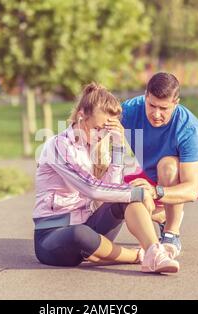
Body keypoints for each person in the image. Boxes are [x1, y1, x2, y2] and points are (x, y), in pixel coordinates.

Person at [33, 83, 180, 274]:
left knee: (126, 199)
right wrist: (138, 192)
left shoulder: (95, 148)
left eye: (106, 131)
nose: (101, 135)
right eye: (97, 128)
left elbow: (112, 191)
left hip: (89, 226)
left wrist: (118, 144)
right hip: (52, 236)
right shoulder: (58, 146)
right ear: (81, 116)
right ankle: (137, 256)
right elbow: (91, 189)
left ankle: (154, 251)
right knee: (80, 234)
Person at [121, 72, 198, 259]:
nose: (156, 114)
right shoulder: (129, 110)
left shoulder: (188, 126)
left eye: (164, 108)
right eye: (152, 105)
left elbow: (191, 189)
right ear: (145, 96)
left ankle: (171, 234)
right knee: (113, 187)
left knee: (168, 165)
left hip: (197, 172)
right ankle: (161, 216)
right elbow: (96, 122)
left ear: (176, 103)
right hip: (152, 174)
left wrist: (155, 192)